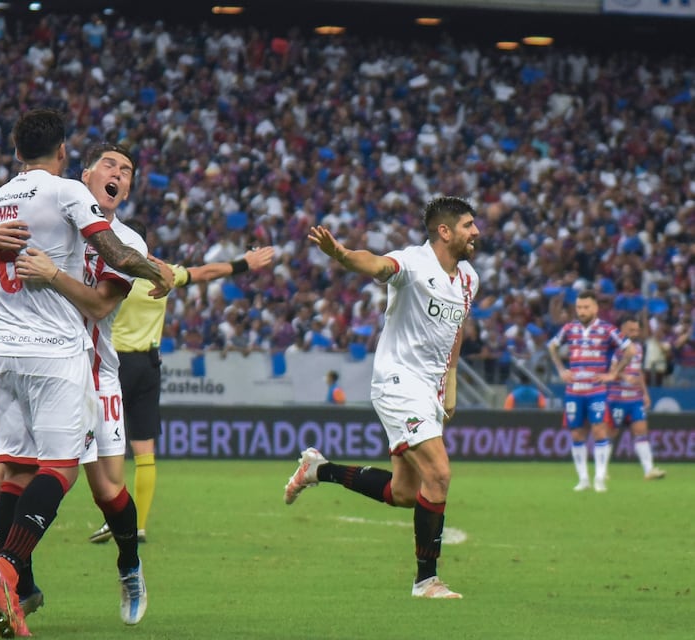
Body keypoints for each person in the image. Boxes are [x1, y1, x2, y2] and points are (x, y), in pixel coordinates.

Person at [0, 109, 172, 639]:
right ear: (82, 171)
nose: (118, 173)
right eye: (110, 164)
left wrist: (55, 273)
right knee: (18, 472)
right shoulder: (60, 207)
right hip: (54, 358)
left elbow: (100, 306)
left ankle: (129, 566)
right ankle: (20, 584)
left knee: (105, 488)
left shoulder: (127, 241)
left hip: (96, 369)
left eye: (127, 170)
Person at [286, 196, 480, 599]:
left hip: (429, 389)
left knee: (407, 492)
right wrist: (341, 254)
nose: (475, 231)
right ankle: (426, 581)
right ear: (444, 231)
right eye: (467, 225)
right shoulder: (412, 263)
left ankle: (318, 470)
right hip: (398, 381)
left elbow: (456, 330)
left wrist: (451, 380)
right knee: (439, 475)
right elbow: (376, 264)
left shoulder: (468, 279)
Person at [85, 221, 275, 545]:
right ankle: (138, 525)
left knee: (106, 445)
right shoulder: (164, 273)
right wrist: (245, 263)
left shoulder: (114, 272)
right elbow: (206, 272)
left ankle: (114, 516)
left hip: (113, 364)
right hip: (148, 364)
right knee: (144, 450)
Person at [547, 290, 635, 493]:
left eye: (586, 307)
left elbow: (630, 350)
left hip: (596, 390)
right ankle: (583, 479)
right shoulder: (570, 328)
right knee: (576, 433)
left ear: (595, 308)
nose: (582, 311)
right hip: (574, 390)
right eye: (579, 307)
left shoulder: (607, 329)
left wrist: (613, 374)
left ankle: (600, 477)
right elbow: (552, 346)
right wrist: (561, 369)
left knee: (599, 430)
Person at [608, 317, 666, 480]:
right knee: (611, 433)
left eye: (637, 330)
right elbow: (611, 370)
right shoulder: (614, 347)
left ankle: (649, 470)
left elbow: (638, 371)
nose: (635, 333)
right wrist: (624, 376)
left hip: (634, 398)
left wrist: (645, 393)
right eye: (631, 330)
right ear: (622, 330)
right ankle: (602, 470)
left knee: (641, 431)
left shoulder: (639, 348)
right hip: (617, 397)